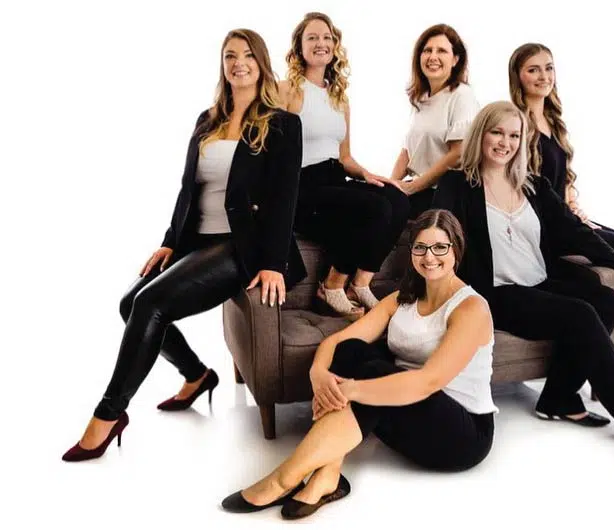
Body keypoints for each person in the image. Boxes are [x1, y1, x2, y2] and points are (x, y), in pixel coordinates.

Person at [61, 29, 304, 462]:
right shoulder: (207, 120)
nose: (239, 63)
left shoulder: (282, 124)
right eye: (230, 56)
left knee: (150, 303)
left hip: (242, 249)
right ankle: (196, 376)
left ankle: (108, 414)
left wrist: (274, 262)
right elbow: (188, 191)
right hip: (198, 240)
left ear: (262, 63)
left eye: (248, 55)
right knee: (129, 303)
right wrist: (170, 243)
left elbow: (286, 198)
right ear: (222, 64)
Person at [433, 101, 614, 459]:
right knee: (579, 315)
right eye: (497, 132)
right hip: (495, 294)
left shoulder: (533, 186)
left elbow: (578, 234)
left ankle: (558, 397)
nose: (505, 143)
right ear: (481, 134)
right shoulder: (458, 184)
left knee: (607, 299)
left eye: (514, 135)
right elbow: (438, 234)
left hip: (539, 282)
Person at [221, 209, 497, 520]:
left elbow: (427, 382)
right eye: (420, 247)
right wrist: (318, 375)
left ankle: (284, 478)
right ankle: (328, 475)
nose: (429, 257)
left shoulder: (471, 308)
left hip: (460, 435)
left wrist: (349, 390)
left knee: (372, 373)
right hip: (405, 414)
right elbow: (336, 342)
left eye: (440, 247)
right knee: (351, 351)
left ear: (456, 250)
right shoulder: (401, 299)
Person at [508, 43, 614, 369]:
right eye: (533, 70)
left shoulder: (552, 119)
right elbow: (523, 187)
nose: (544, 76)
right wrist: (570, 219)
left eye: (549, 68)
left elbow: (562, 177)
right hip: (545, 228)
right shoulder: (516, 123)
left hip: (565, 218)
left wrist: (574, 204)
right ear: (518, 76)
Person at [280, 12, 410, 319]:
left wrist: (368, 175)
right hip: (302, 186)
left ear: (335, 45)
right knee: (372, 207)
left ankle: (359, 284)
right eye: (312, 37)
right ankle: (331, 286)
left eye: (327, 37)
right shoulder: (286, 90)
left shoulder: (340, 98)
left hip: (334, 180)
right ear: (299, 47)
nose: (321, 43)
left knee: (397, 198)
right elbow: (268, 148)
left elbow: (344, 157)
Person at [390, 23, 480, 219]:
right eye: (427, 50)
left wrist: (412, 187)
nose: (433, 57)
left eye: (442, 51)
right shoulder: (421, 98)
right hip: (421, 189)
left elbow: (458, 153)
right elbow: (408, 151)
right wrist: (391, 185)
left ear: (455, 59)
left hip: (444, 194)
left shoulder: (462, 95)